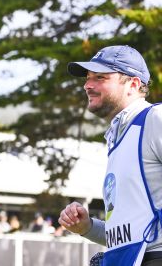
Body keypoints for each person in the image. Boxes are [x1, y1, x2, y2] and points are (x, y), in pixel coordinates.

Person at [58, 45, 162, 266]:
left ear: (133, 84)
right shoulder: (119, 136)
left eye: (100, 77)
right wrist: (87, 228)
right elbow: (133, 236)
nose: (88, 85)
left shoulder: (155, 119)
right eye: (88, 78)